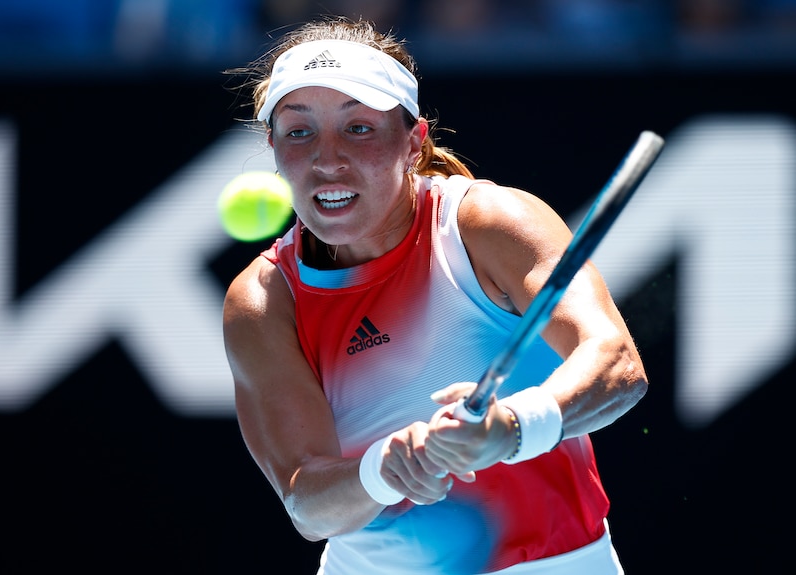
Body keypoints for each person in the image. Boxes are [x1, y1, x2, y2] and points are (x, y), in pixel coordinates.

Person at [222, 15, 648, 575]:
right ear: (274, 149)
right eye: (299, 131)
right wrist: (384, 469)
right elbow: (308, 505)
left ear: (413, 142)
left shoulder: (489, 223)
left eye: (359, 128)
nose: (328, 159)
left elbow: (616, 364)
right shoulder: (263, 299)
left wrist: (514, 426)